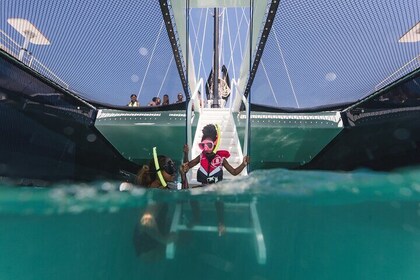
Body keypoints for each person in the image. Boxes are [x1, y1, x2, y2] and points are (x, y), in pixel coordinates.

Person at [182, 124, 249, 235]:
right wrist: (186, 153)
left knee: (219, 199)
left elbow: (234, 172)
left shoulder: (221, 159)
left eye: (209, 145)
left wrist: (243, 164)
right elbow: (187, 166)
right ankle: (197, 217)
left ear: (215, 144)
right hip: (203, 186)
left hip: (216, 187)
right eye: (203, 145)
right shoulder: (201, 156)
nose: (206, 148)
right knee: (192, 196)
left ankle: (221, 222)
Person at [133, 151, 178, 260]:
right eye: (169, 167)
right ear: (159, 172)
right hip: (147, 244)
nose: (174, 171)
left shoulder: (155, 188)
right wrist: (164, 240)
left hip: (147, 240)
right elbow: (146, 221)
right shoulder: (157, 194)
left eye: (173, 166)